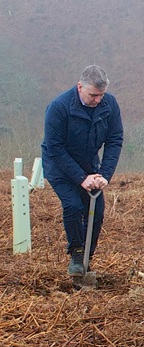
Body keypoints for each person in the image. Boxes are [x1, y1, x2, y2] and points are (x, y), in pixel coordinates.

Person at [42, 65, 124, 276]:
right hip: (59, 165)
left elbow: (115, 139)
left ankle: (87, 257)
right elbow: (55, 148)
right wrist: (80, 178)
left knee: (96, 213)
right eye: (93, 95)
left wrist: (104, 174)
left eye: (101, 95)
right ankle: (76, 255)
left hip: (90, 164)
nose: (98, 100)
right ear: (80, 87)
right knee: (73, 206)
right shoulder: (59, 107)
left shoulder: (110, 104)